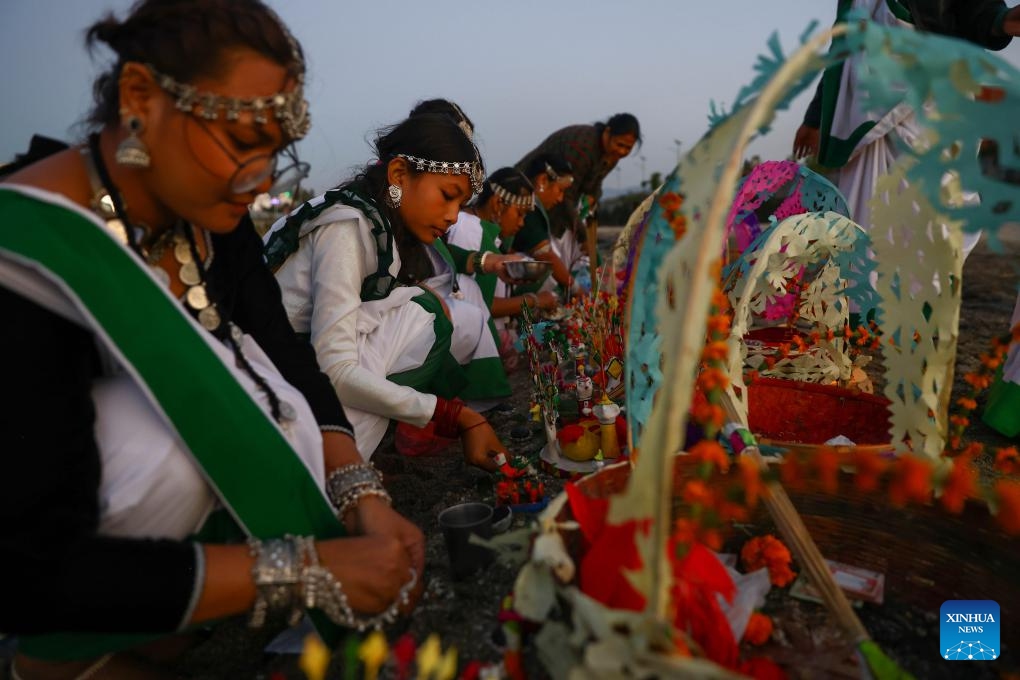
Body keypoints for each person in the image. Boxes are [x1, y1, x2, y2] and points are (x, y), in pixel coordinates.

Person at [0, 1, 424, 675]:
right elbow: (34, 562)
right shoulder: (26, 255)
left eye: (272, 153)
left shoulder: (206, 215)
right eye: (240, 142)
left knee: (266, 386)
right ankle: (53, 665)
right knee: (170, 430)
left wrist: (359, 493)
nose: (254, 180)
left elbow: (282, 350)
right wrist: (306, 570)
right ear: (140, 97)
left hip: (135, 547)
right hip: (48, 560)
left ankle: (168, 624)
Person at [264, 113, 515, 468]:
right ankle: (329, 476)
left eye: (460, 204)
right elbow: (333, 370)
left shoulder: (377, 225)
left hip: (296, 365)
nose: (453, 216)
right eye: (447, 196)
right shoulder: (348, 228)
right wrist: (449, 415)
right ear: (399, 175)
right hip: (272, 376)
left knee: (423, 307)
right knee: (423, 316)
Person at [447, 168, 558, 366]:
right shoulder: (468, 228)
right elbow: (474, 300)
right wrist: (534, 300)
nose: (522, 223)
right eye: (520, 214)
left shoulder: (487, 232)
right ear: (498, 203)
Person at [515, 113, 641, 243]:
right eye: (619, 145)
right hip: (525, 190)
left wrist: (593, 198)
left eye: (628, 148)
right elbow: (566, 197)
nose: (622, 152)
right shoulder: (583, 147)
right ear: (607, 132)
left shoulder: (612, 154)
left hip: (554, 200)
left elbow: (594, 187)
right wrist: (584, 237)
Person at [512, 153, 577, 294]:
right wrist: (576, 289)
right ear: (542, 181)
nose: (560, 198)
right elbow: (546, 256)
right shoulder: (530, 208)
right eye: (560, 190)